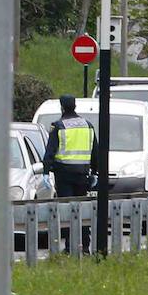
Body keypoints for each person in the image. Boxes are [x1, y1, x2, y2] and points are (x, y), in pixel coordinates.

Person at [42, 94, 98, 254]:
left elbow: (50, 151)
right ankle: (85, 246)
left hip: (64, 175)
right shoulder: (87, 125)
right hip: (83, 175)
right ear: (75, 106)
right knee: (82, 210)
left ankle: (69, 247)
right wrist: (95, 171)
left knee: (67, 211)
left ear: (61, 107)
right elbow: (95, 151)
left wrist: (46, 172)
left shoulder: (59, 126)